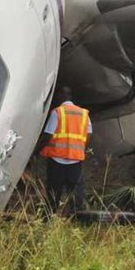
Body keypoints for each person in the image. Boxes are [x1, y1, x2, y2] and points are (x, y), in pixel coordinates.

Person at [36, 86, 92, 214]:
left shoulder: (57, 112)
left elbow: (48, 134)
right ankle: (77, 217)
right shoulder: (84, 114)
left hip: (57, 159)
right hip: (75, 159)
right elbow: (88, 134)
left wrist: (36, 151)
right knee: (76, 191)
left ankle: (50, 217)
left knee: (54, 191)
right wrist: (79, 148)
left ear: (61, 96)